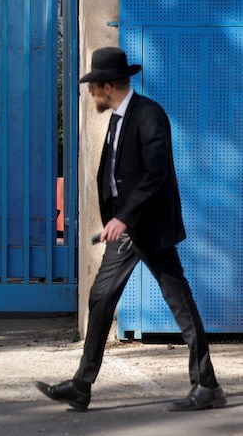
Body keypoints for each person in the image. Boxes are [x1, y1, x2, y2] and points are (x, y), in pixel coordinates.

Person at [35, 47, 225, 412]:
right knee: (101, 298)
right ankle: (82, 384)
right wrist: (114, 217)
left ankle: (207, 385)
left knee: (179, 302)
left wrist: (125, 217)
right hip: (123, 231)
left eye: (93, 86)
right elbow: (117, 176)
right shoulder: (117, 119)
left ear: (108, 86)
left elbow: (156, 174)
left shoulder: (149, 115)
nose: (91, 94)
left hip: (150, 228)